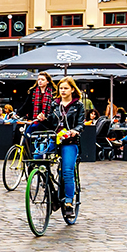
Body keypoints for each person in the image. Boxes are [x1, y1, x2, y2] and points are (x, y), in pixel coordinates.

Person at [53, 77, 86, 219]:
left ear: (72, 89)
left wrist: (75, 130)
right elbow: (50, 121)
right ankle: (51, 192)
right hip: (55, 139)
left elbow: (81, 123)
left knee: (67, 172)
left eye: (66, 88)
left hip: (69, 141)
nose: (63, 91)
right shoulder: (54, 104)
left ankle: (68, 202)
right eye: (61, 88)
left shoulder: (78, 105)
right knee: (38, 159)